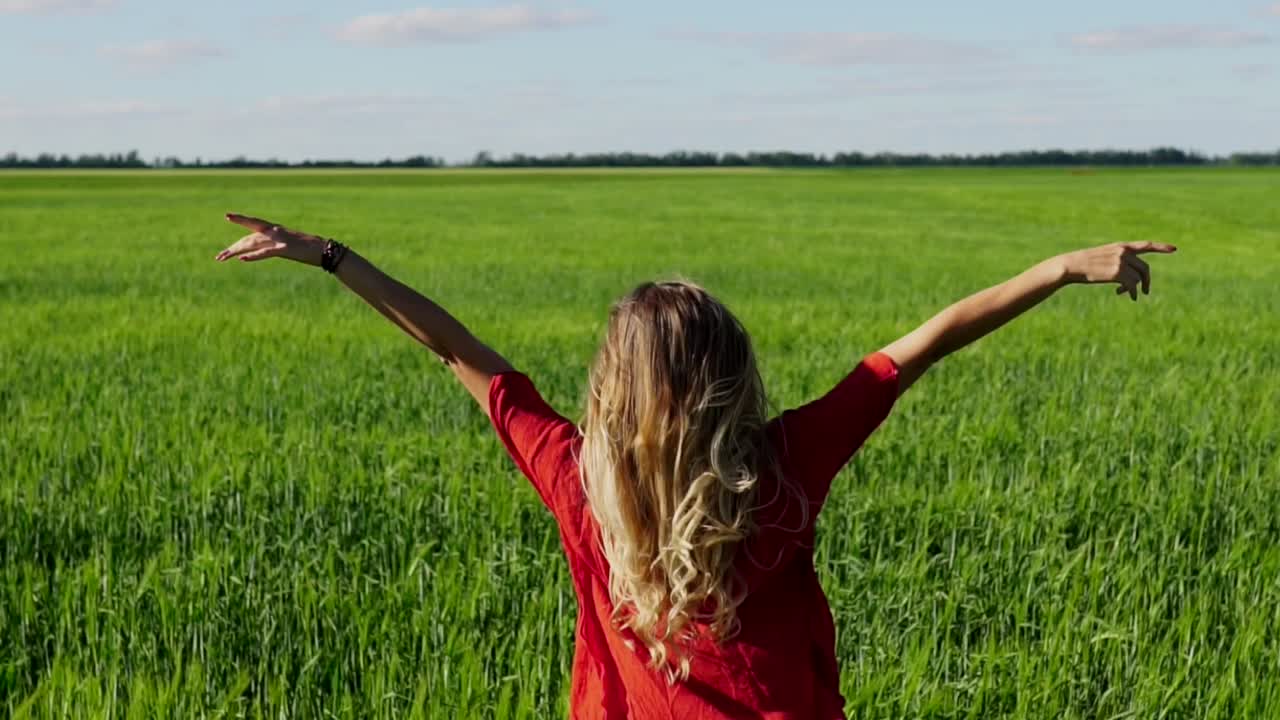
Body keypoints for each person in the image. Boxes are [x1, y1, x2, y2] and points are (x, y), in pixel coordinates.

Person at [215, 213, 1175, 718]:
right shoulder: (786, 465)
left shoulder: (576, 478)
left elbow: (456, 350)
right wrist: (1059, 268)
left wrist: (332, 256)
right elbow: (918, 349)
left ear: (611, 387)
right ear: (731, 381)